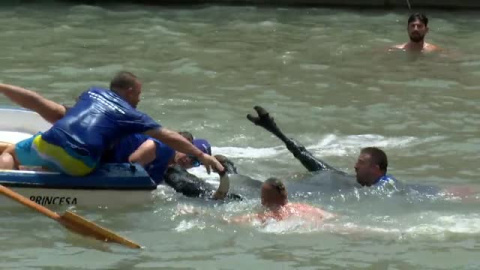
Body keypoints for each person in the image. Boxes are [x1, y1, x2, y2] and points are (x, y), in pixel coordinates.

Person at [0, 80, 240, 199]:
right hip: (84, 163)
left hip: (55, 144)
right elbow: (139, 158)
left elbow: (48, 108)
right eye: (189, 157)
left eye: (193, 163)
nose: (188, 163)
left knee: (14, 153)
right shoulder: (151, 136)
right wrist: (201, 156)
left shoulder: (93, 96)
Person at [247, 106, 397, 188]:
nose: (355, 166)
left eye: (362, 163)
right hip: (341, 181)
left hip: (340, 186)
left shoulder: (388, 187)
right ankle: (272, 127)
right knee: (305, 158)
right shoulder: (359, 182)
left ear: (376, 169)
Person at [231, 177, 334, 224]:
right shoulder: (305, 207)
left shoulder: (270, 215)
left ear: (264, 199)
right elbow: (333, 216)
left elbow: (237, 220)